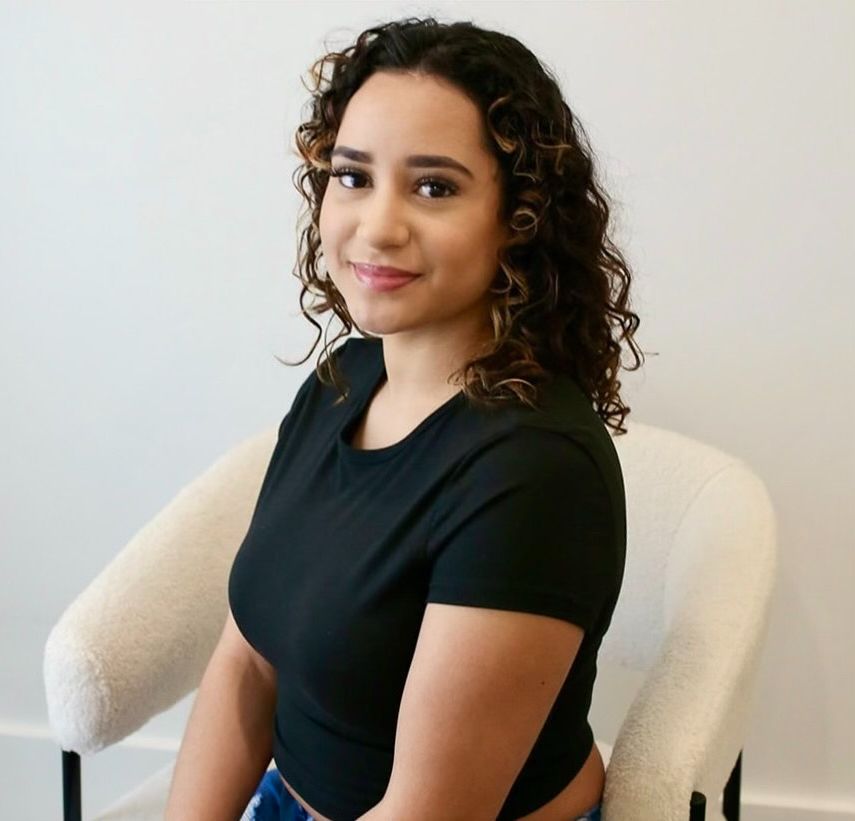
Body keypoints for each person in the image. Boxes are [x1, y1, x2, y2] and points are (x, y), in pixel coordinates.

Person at [165, 15, 644, 821]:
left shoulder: (535, 473)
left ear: (518, 218)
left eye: (434, 186)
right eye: (353, 176)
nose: (377, 226)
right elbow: (247, 662)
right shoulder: (342, 382)